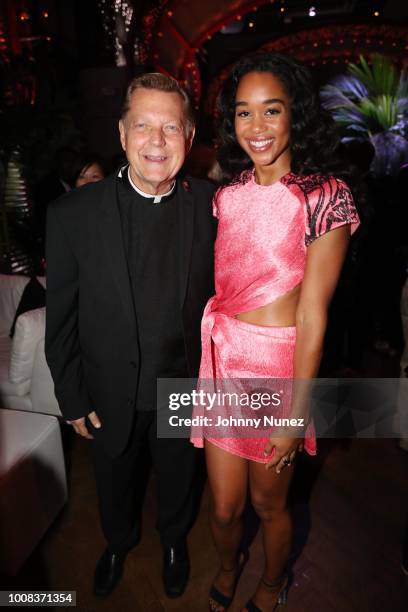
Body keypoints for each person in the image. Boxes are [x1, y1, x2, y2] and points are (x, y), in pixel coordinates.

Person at [191, 53, 360, 611]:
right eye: (244, 113)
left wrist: (294, 415)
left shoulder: (323, 195)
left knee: (269, 506)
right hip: (222, 364)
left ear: (295, 116)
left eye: (271, 111)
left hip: (277, 374)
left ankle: (270, 581)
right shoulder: (227, 195)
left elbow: (313, 315)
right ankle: (227, 564)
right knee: (221, 508)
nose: (256, 127)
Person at [45, 73, 216, 598]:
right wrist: (72, 397)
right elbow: (62, 318)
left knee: (178, 478)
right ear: (122, 134)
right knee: (114, 484)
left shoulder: (214, 208)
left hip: (181, 385)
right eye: (143, 125)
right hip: (107, 388)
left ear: (189, 137)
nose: (157, 141)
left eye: (171, 127)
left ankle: (173, 542)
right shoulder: (72, 215)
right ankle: (117, 544)